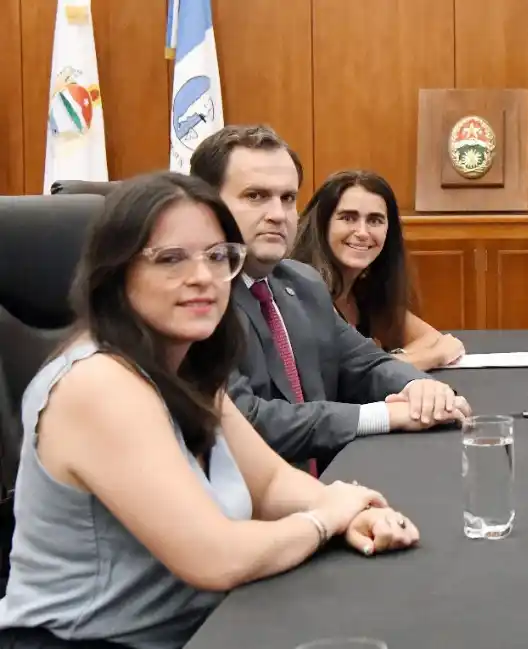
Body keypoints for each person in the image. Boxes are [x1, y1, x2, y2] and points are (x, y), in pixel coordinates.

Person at [0, 173, 419, 649]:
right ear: (116, 273)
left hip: (203, 630)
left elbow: (269, 483)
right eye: (171, 259)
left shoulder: (185, 366)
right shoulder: (98, 384)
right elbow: (216, 558)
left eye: (218, 256)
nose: (203, 276)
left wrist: (342, 508)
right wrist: (323, 522)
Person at [189, 125, 470, 468]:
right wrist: (383, 415)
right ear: (206, 205)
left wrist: (420, 388)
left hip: (330, 481)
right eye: (256, 196)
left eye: (288, 198)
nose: (278, 214)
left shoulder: (302, 282)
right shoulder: (196, 300)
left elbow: (366, 365)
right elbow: (249, 421)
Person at [291, 169, 465, 371]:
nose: (363, 233)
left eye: (375, 220)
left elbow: (433, 339)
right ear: (322, 225)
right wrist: (431, 357)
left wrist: (392, 360)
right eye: (348, 218)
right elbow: (346, 378)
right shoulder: (302, 287)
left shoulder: (364, 290)